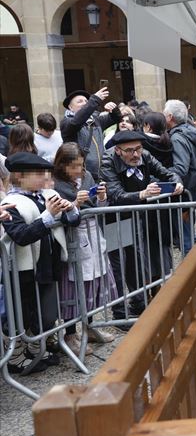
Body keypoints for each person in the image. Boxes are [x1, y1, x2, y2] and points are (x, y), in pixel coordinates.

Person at [1, 152, 79, 373]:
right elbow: (21, 235)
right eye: (37, 173)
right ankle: (16, 357)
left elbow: (73, 220)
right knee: (20, 315)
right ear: (19, 177)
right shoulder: (10, 203)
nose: (43, 177)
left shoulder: (48, 195)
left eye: (43, 172)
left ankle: (37, 349)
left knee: (46, 313)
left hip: (49, 265)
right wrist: (47, 216)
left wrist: (71, 209)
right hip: (22, 270)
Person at [100, 130, 184, 321]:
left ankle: (139, 303)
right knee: (119, 265)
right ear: (118, 151)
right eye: (129, 151)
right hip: (116, 219)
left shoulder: (144, 156)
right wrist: (142, 195)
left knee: (137, 260)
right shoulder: (107, 161)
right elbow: (115, 194)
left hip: (139, 218)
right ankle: (119, 313)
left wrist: (176, 182)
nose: (135, 154)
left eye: (138, 148)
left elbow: (167, 173)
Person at [52, 142, 117, 354]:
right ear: (62, 165)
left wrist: (100, 197)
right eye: (74, 166)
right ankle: (70, 333)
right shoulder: (55, 184)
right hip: (72, 238)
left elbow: (100, 209)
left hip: (92, 234)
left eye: (80, 165)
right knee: (74, 286)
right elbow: (62, 215)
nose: (79, 170)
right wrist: (76, 204)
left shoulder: (87, 176)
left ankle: (89, 327)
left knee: (93, 284)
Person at [60, 87, 122, 182]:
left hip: (102, 173)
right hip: (81, 175)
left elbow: (116, 118)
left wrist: (114, 109)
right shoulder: (67, 122)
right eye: (80, 101)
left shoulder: (96, 120)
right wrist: (94, 100)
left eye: (86, 101)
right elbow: (77, 122)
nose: (85, 103)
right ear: (70, 107)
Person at [164, 99, 196, 200]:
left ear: (170, 117)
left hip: (188, 191)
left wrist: (160, 172)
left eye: (164, 114)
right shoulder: (193, 131)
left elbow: (180, 168)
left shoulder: (177, 138)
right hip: (195, 189)